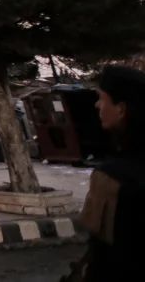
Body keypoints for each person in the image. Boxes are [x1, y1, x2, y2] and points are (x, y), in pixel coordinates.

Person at [63, 65, 145, 281]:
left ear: (121, 109)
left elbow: (105, 258)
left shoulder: (110, 179)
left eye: (101, 98)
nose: (97, 105)